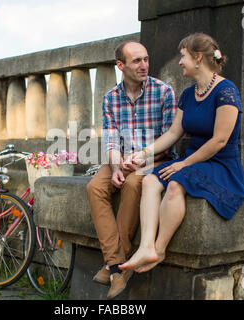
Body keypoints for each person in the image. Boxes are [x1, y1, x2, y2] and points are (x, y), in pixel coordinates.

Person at [119, 33, 244, 274]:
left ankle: (159, 248)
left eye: (183, 56)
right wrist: (143, 153)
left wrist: (183, 164)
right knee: (149, 180)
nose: (180, 62)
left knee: (176, 183)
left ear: (198, 58)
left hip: (220, 164)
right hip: (193, 161)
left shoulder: (227, 91)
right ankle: (145, 246)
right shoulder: (189, 94)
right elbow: (173, 133)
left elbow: (220, 140)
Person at [86, 41, 177, 299]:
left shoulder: (163, 92)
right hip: (123, 158)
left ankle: (115, 266)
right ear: (121, 65)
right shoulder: (110, 99)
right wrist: (116, 166)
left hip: (155, 158)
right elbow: (111, 139)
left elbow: (169, 139)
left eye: (146, 59)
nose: (144, 65)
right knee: (95, 187)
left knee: (133, 184)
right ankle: (118, 264)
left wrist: (142, 159)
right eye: (136, 61)